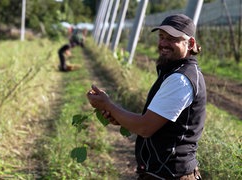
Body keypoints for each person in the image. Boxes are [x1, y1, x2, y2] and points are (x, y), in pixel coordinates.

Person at [86, 14, 205, 180]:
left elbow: (145, 127)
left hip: (171, 174)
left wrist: (108, 105)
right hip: (161, 173)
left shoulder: (181, 80)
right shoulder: (174, 73)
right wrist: (119, 118)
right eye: (161, 37)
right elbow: (156, 122)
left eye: (172, 39)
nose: (163, 43)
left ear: (190, 43)